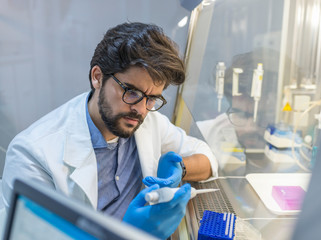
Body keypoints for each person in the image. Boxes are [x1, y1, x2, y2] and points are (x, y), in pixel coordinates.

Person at [2, 22, 218, 239]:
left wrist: (179, 168)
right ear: (97, 77)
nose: (141, 109)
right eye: (131, 92)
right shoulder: (32, 154)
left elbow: (207, 157)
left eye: (152, 99)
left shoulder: (148, 122)